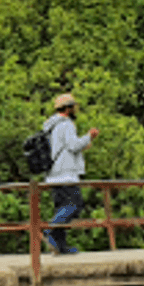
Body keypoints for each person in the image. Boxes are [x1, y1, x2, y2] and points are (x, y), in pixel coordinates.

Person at [42, 93, 99, 255]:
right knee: (75, 205)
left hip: (53, 174)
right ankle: (50, 230)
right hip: (65, 174)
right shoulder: (66, 124)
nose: (75, 110)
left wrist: (83, 144)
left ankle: (60, 246)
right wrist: (89, 136)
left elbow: (67, 147)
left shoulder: (50, 125)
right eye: (73, 107)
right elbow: (73, 146)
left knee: (62, 207)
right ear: (67, 109)